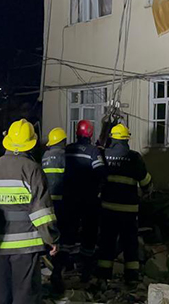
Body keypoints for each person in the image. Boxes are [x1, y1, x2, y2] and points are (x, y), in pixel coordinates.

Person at [0, 119, 59, 304]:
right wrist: (51, 239)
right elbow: (41, 213)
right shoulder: (32, 170)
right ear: (31, 144)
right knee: (25, 296)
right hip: (26, 247)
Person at [97, 124, 152, 283]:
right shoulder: (134, 157)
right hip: (129, 210)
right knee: (130, 243)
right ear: (127, 140)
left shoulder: (104, 155)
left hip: (108, 208)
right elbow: (146, 182)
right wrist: (148, 191)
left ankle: (103, 277)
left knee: (107, 242)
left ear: (112, 139)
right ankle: (131, 277)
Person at [61, 120, 106, 282]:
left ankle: (61, 269)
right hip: (88, 200)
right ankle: (85, 272)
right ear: (90, 134)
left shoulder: (68, 149)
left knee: (68, 234)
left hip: (69, 199)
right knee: (89, 234)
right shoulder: (93, 151)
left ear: (77, 133)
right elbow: (101, 172)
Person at [41, 127, 67, 291]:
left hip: (46, 203)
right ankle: (58, 268)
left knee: (50, 234)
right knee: (62, 236)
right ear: (63, 141)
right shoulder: (65, 156)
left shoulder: (45, 156)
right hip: (62, 202)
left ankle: (48, 263)